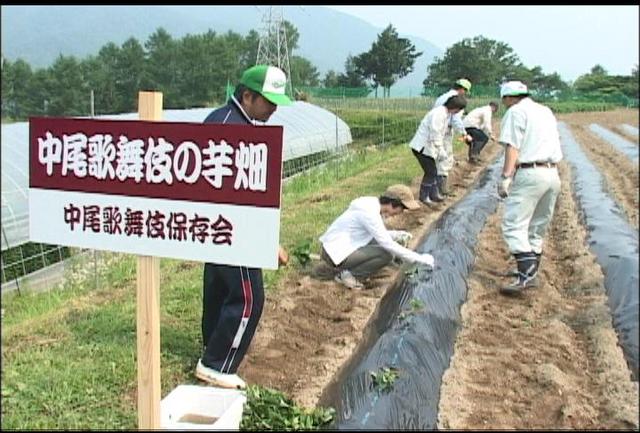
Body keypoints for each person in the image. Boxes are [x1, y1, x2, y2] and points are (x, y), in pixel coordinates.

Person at [196, 64, 292, 389]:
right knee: (249, 297)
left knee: (220, 288)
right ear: (247, 95)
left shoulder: (231, 120)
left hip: (222, 227)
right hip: (230, 228)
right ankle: (217, 364)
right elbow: (231, 195)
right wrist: (265, 241)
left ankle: (212, 346)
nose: (274, 108)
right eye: (269, 101)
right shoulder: (230, 128)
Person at [496, 81, 563, 295]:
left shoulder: (515, 112)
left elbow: (512, 146)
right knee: (537, 225)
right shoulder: (545, 111)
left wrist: (506, 176)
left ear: (509, 98)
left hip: (531, 172)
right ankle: (530, 273)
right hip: (552, 173)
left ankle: (527, 273)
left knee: (513, 225)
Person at [319, 184, 435, 290]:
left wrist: (396, 234)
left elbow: (376, 233)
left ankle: (353, 270)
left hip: (336, 248)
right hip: (334, 254)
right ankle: (349, 276)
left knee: (382, 245)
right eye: (402, 208)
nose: (401, 212)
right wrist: (418, 258)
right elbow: (386, 243)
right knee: (386, 254)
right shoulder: (369, 213)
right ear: (392, 204)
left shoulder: (371, 205)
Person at [409, 95, 468, 204]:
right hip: (421, 147)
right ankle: (424, 197)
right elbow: (435, 133)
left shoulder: (445, 114)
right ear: (456, 108)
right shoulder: (439, 114)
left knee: (434, 172)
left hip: (428, 147)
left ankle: (433, 194)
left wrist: (439, 149)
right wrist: (440, 149)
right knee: (431, 172)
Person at [432, 78, 474, 196]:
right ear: (462, 89)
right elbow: (455, 119)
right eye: (465, 91)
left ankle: (436, 189)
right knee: (445, 159)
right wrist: (464, 134)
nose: (465, 94)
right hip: (444, 131)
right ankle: (441, 189)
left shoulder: (442, 97)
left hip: (437, 130)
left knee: (437, 159)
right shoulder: (457, 100)